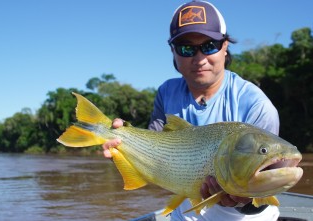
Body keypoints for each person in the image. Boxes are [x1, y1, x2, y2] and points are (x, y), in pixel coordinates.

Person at [102, 1, 280, 220]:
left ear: (225, 46)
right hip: (185, 212)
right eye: (186, 48)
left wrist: (242, 199)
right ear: (174, 52)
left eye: (209, 46)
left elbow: (266, 190)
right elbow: (156, 151)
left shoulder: (256, 105)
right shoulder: (167, 92)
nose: (199, 58)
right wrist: (126, 149)